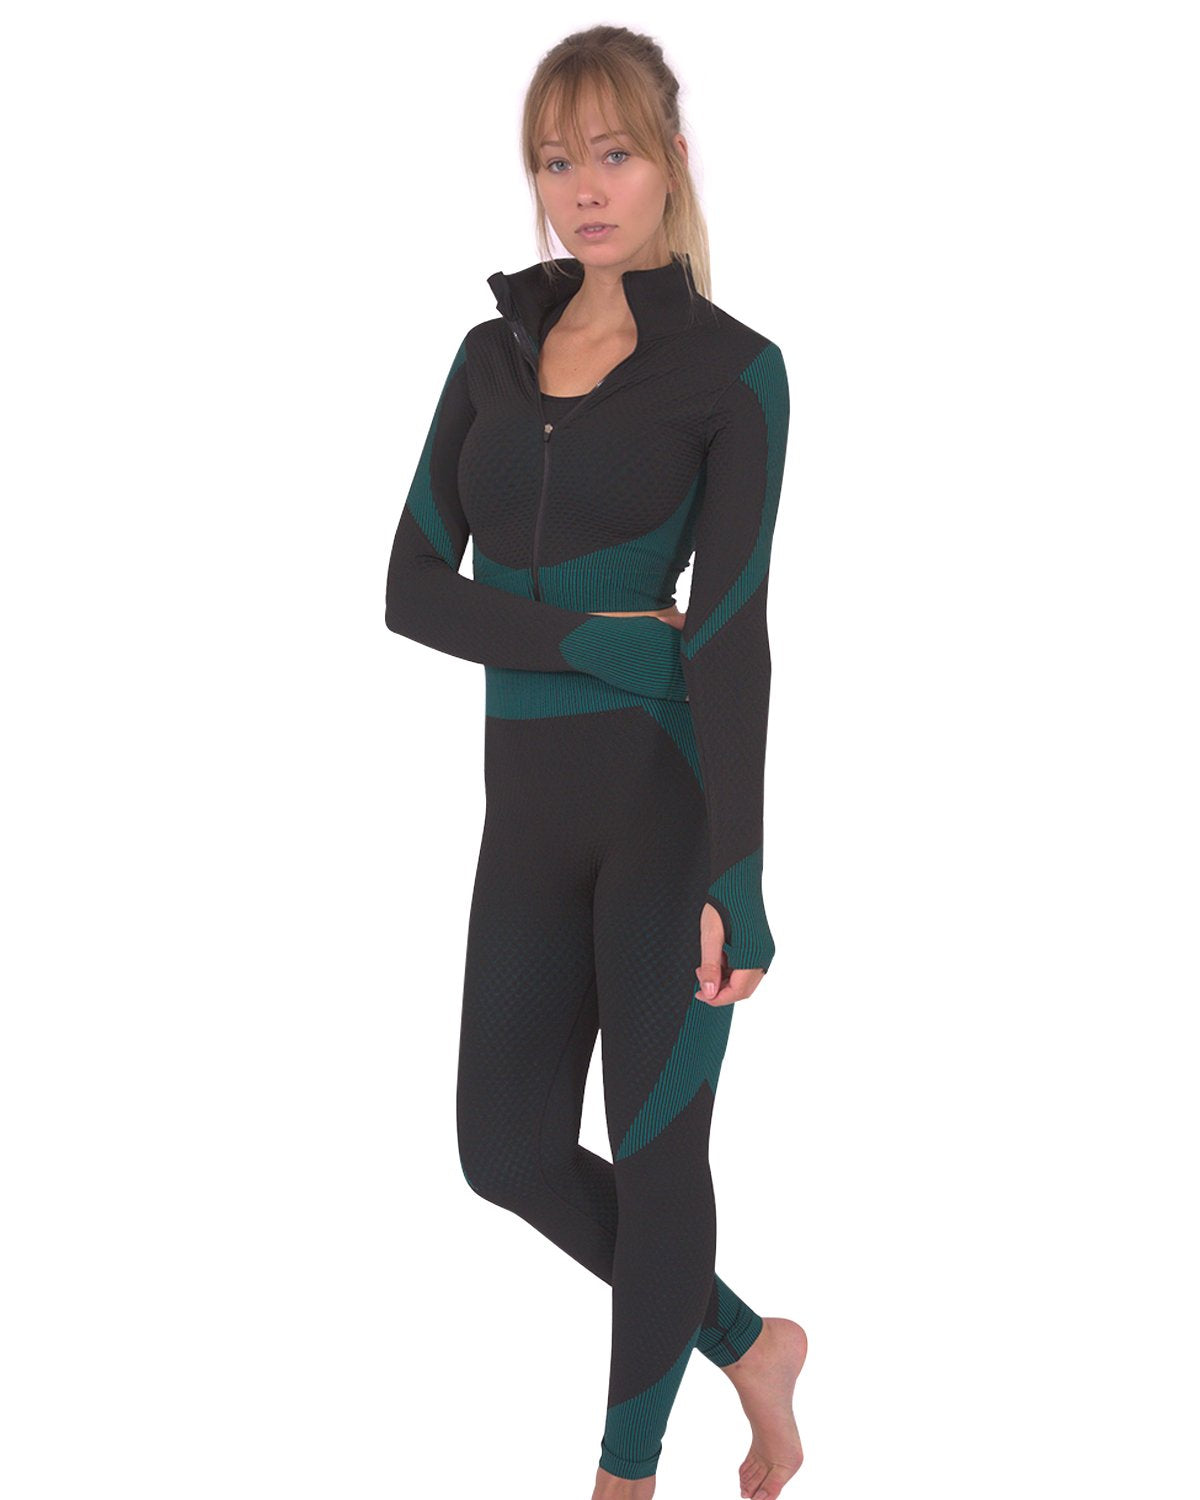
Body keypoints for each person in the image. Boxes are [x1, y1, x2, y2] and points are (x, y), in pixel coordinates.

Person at [385, 25, 805, 1500]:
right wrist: (593, 640)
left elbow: (732, 638)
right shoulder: (488, 357)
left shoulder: (735, 375)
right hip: (525, 824)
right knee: (502, 1151)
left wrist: (741, 877)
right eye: (557, 160)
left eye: (613, 153)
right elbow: (409, 590)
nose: (584, 188)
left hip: (662, 817)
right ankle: (751, 1344)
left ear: (671, 161)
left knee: (658, 1152)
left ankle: (626, 1476)